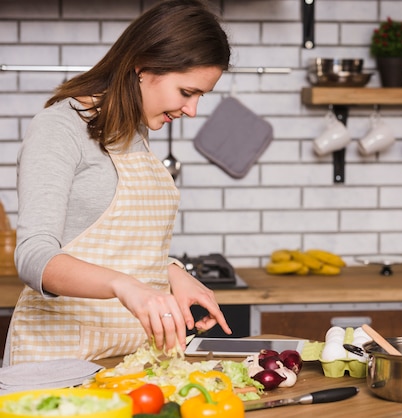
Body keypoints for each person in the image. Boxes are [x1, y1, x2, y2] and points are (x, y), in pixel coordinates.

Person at [4, 0, 232, 366]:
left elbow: (123, 246)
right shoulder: (59, 129)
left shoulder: (134, 132)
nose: (192, 111)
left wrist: (173, 273)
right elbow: (34, 256)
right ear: (143, 67)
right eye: (186, 93)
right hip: (58, 361)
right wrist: (126, 287)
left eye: (199, 97)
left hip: (130, 359)